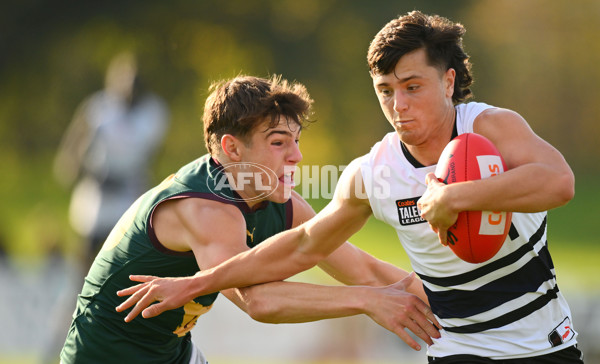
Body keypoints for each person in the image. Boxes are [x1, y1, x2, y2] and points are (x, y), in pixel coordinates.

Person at [117, 11, 585, 363]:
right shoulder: (373, 172)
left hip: (544, 345)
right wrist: (197, 284)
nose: (398, 105)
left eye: (412, 87)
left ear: (448, 81)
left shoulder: (489, 129)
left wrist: (452, 197)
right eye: (385, 90)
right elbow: (302, 245)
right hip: (455, 349)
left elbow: (559, 182)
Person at [60, 74, 441, 364]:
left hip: (171, 352)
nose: (296, 157)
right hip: (105, 356)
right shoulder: (207, 209)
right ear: (231, 148)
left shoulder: (274, 195)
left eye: (296, 140)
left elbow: (361, 267)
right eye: (278, 142)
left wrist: (448, 298)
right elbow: (258, 300)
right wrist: (366, 301)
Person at [54, 51, 169, 269]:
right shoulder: (100, 108)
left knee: (130, 245)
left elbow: (153, 153)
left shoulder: (153, 113)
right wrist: (71, 163)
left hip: (130, 186)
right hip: (99, 186)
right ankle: (81, 291)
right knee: (89, 245)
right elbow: (77, 137)